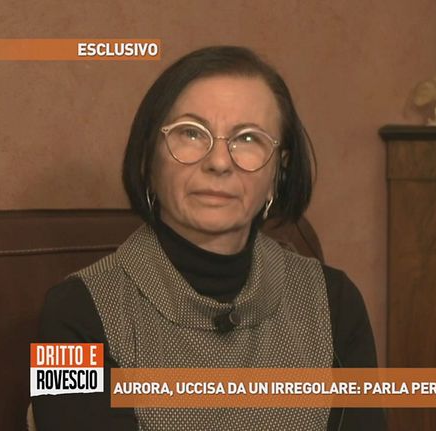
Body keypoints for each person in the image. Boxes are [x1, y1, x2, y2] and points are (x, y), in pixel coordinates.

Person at [32, 46, 385, 431]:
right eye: (191, 133)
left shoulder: (335, 302)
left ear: (278, 171)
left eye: (248, 138)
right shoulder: (70, 313)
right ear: (150, 157)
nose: (218, 162)